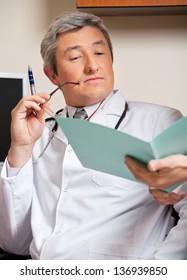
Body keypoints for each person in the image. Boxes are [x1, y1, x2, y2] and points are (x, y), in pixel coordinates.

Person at [0, 11, 187, 260]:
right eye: (76, 57)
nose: (92, 65)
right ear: (52, 75)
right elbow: (15, 243)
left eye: (99, 53)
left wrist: (159, 268)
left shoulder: (159, 121)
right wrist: (21, 149)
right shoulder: (40, 134)